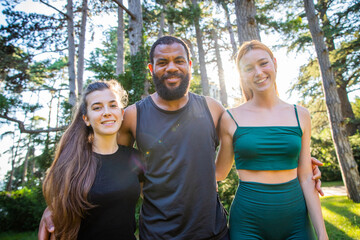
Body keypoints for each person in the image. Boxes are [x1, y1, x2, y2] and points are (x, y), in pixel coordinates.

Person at [39, 36, 323, 240]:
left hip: (213, 231)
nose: (171, 67)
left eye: (178, 61)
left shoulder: (213, 109)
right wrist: (57, 204)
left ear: (190, 65)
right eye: (162, 62)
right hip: (157, 233)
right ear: (152, 70)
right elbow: (102, 160)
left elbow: (248, 142)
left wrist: (298, 160)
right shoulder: (133, 116)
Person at [215, 40, 328, 240]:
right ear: (242, 75)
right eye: (249, 68)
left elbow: (305, 177)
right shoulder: (230, 118)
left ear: (275, 63)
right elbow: (219, 173)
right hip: (248, 223)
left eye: (263, 63)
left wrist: (323, 235)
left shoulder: (300, 114)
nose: (258, 72)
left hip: (296, 223)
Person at [41, 80, 144, 240]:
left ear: (122, 114)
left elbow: (154, 199)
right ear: (86, 119)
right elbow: (58, 220)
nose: (107, 112)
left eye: (113, 105)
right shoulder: (72, 163)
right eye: (97, 107)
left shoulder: (135, 158)